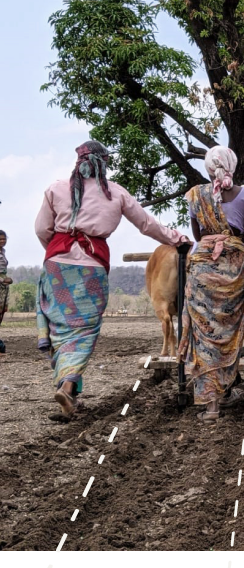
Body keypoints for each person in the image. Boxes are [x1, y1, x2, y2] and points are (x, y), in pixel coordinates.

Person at [34, 140, 190, 421]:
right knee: (84, 331)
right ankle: (68, 387)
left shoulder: (55, 188)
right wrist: (177, 238)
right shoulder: (115, 193)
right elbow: (147, 225)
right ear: (104, 163)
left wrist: (58, 252)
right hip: (92, 266)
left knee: (60, 331)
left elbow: (41, 229)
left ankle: (67, 396)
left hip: (56, 265)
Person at [178, 146, 244, 422]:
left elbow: (197, 233)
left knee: (206, 335)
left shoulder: (196, 195)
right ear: (233, 166)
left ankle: (211, 405)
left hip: (202, 269)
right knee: (228, 333)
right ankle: (229, 384)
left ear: (209, 169)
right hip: (234, 269)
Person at [0, 230, 12, 333]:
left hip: (3, 286)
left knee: (2, 310)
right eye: (0, 239)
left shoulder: (3, 252)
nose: (2, 241)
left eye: (4, 239)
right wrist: (2, 279)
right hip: (1, 283)